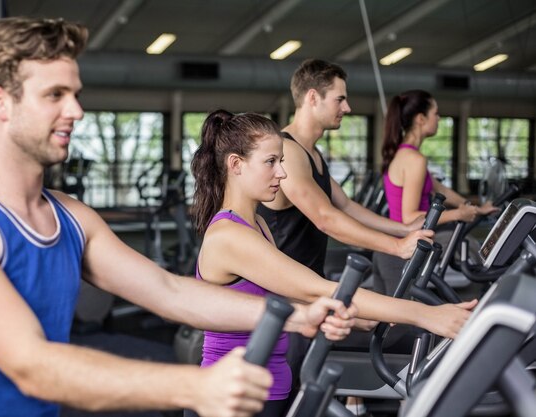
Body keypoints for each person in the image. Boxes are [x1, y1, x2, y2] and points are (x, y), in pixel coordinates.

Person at [0, 17, 353, 417]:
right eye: (54, 95)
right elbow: (32, 364)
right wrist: (195, 385)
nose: (76, 111)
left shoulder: (70, 216)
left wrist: (296, 314)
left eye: (75, 94)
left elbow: (170, 292)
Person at [189, 110, 475, 416]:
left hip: (266, 388)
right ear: (236, 165)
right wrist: (426, 315)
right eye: (271, 162)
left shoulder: (257, 222)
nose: (282, 174)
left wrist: (352, 314)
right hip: (234, 398)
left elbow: (287, 294)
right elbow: (317, 289)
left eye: (281, 162)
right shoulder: (230, 235)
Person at [254, 59, 469, 416]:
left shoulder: (312, 155)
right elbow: (326, 219)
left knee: (305, 396)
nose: (347, 107)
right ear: (312, 97)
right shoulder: (287, 151)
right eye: (340, 99)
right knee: (286, 402)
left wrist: (403, 228)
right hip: (284, 298)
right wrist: (396, 246)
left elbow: (347, 207)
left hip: (308, 293)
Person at [375, 89, 499, 296]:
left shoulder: (405, 154)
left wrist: (475, 208)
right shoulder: (414, 160)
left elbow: (440, 189)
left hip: (393, 247)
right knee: (472, 247)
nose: (439, 118)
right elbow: (410, 217)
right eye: (436, 113)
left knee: (381, 323)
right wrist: (459, 214)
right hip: (404, 248)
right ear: (421, 119)